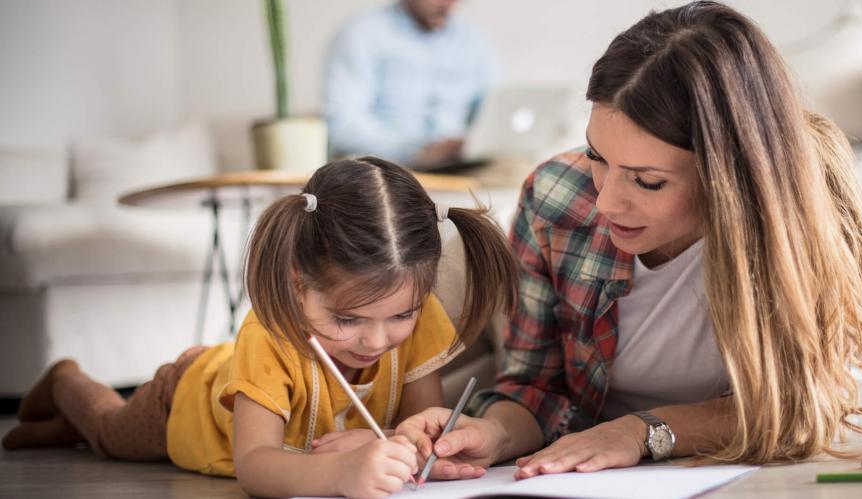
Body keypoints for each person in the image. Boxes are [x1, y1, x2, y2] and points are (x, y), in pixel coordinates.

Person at [396, 0, 862, 479]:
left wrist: (642, 432)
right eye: (597, 156)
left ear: (727, 175)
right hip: (594, 467)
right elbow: (535, 387)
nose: (607, 202)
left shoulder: (803, 213)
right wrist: (492, 434)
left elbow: (802, 409)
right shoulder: (554, 198)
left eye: (647, 181)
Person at [2, 157, 518, 498]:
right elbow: (255, 464)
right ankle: (66, 378)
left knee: (69, 440)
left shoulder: (419, 317)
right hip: (182, 403)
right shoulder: (269, 335)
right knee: (107, 433)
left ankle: (53, 432)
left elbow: (415, 422)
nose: (378, 341)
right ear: (298, 285)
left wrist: (411, 444)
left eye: (400, 316)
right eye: (347, 319)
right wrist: (342, 472)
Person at [323, 0, 497, 170]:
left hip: (461, 172)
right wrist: (416, 151)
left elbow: (493, 111)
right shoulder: (362, 34)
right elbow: (342, 128)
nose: (451, 5)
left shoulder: (474, 42)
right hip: (389, 174)